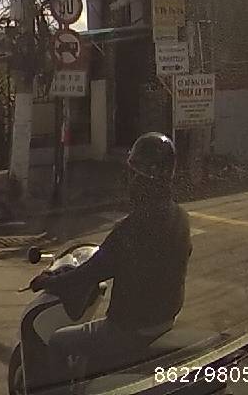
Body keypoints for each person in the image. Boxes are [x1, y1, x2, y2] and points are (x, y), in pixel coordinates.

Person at [32, 132, 192, 381]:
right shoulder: (181, 217)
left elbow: (87, 275)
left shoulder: (132, 228)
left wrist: (49, 281)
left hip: (128, 330)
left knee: (58, 342)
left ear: (140, 178)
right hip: (166, 320)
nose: (130, 181)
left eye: (133, 174)